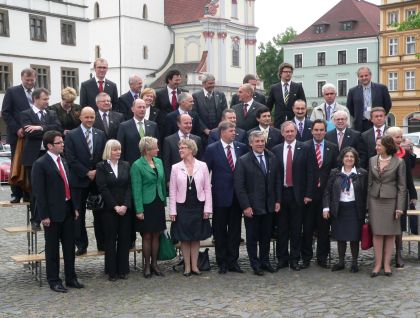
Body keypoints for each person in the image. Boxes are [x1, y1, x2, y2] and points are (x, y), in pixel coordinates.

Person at [32, 130, 84, 292]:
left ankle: (71, 277)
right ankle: (54, 280)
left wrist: (75, 207)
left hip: (68, 210)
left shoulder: (64, 161)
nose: (62, 145)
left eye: (62, 142)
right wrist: (44, 215)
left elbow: (70, 186)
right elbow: (39, 193)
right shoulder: (40, 164)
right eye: (59, 143)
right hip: (52, 214)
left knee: (69, 248)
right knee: (52, 249)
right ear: (49, 146)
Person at [234, 131, 281, 275]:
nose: (260, 144)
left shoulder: (272, 157)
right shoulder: (243, 160)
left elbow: (277, 181)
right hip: (252, 206)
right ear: (251, 143)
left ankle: (265, 261)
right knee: (252, 237)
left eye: (262, 141)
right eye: (257, 141)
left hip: (269, 205)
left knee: (266, 236)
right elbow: (239, 186)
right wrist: (245, 206)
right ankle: (255, 264)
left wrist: (278, 200)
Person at [205, 121, 249, 274]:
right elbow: (206, 172)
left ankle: (233, 260)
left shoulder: (241, 147)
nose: (234, 133)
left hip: (237, 196)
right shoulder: (212, 149)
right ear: (222, 132)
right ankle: (221, 261)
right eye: (231, 130)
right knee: (220, 230)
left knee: (235, 230)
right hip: (220, 196)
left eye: (234, 130)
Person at [271, 121, 314, 271]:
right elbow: (274, 175)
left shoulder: (306, 148)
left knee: (296, 229)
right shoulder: (275, 150)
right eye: (286, 132)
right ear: (282, 133)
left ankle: (295, 259)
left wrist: (309, 194)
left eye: (292, 131)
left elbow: (311, 172)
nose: (289, 134)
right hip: (281, 193)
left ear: (296, 132)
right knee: (282, 229)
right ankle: (282, 259)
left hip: (299, 195)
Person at [64, 107, 107, 255]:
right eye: (86, 117)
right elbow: (70, 158)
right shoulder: (71, 135)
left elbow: (104, 156)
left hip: (97, 179)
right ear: (80, 118)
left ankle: (102, 243)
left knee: (100, 213)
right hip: (79, 180)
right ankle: (81, 244)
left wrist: (97, 171)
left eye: (92, 117)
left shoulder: (100, 134)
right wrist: (86, 172)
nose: (89, 120)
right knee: (78, 214)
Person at [20, 88, 62, 230]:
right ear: (36, 99)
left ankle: (52, 215)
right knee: (36, 189)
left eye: (48, 99)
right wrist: (46, 132)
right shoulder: (25, 114)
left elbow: (58, 129)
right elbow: (29, 134)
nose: (47, 102)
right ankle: (35, 219)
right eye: (44, 99)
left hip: (50, 156)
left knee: (53, 187)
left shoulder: (51, 113)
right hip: (33, 157)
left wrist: (39, 127)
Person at [169, 139, 212, 276]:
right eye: (179, 148)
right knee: (185, 238)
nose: (180, 150)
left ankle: (195, 266)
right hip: (182, 207)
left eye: (183, 148)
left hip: (198, 206)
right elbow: (172, 191)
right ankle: (187, 267)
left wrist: (207, 209)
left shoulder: (203, 166)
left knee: (196, 237)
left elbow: (207, 189)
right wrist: (172, 211)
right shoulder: (175, 167)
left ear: (191, 150)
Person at [322, 147, 367, 273]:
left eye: (352, 157)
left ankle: (354, 262)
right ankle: (341, 262)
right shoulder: (335, 172)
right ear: (342, 158)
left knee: (354, 237)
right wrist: (326, 207)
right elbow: (327, 191)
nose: (349, 159)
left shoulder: (362, 173)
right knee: (340, 236)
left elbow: (366, 193)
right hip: (339, 208)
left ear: (355, 159)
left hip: (355, 208)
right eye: (346, 156)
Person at [302, 119, 339, 269]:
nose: (318, 132)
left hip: (325, 194)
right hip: (308, 195)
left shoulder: (332, 147)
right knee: (308, 228)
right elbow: (301, 172)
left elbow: (336, 170)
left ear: (325, 131)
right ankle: (306, 257)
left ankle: (322, 258)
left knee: (324, 229)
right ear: (311, 131)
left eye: (321, 130)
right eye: (316, 130)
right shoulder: (304, 147)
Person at [368, 136, 406, 277]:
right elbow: (369, 183)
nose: (376, 147)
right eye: (376, 145)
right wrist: (367, 204)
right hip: (375, 200)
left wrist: (399, 207)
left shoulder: (399, 162)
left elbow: (402, 187)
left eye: (379, 145)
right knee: (377, 233)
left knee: (390, 234)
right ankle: (377, 264)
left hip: (391, 201)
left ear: (386, 146)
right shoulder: (372, 160)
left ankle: (387, 264)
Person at [130, 137, 167, 278]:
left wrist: (164, 201)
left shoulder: (159, 162)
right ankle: (146, 266)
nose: (158, 149)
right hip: (146, 203)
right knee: (146, 235)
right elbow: (136, 189)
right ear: (147, 150)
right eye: (155, 147)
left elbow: (162, 183)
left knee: (157, 234)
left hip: (158, 202)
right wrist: (139, 209)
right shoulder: (137, 165)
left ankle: (155, 264)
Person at [96, 139, 132, 281]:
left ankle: (123, 269)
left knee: (124, 239)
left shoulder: (125, 165)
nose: (118, 152)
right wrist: (115, 206)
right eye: (115, 150)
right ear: (108, 151)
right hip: (109, 209)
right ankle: (111, 270)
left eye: (119, 149)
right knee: (110, 240)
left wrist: (125, 205)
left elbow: (129, 186)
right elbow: (102, 188)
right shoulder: (101, 166)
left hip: (124, 208)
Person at [2, 68, 36, 203]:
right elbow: (6, 112)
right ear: (22, 78)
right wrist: (17, 129)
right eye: (27, 80)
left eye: (32, 80)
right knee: (16, 164)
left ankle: (28, 192)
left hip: (33, 136)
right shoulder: (12, 91)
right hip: (18, 135)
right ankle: (16, 193)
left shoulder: (37, 93)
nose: (29, 82)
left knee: (30, 164)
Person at [384, 127, 417, 268]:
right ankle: (384, 254)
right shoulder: (383, 153)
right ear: (389, 139)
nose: (400, 140)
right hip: (386, 194)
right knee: (385, 224)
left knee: (400, 224)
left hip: (401, 194)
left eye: (401, 137)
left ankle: (399, 254)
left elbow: (409, 177)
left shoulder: (406, 155)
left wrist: (413, 194)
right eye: (397, 137)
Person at [347, 66, 392, 132]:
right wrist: (359, 116)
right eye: (361, 76)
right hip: (360, 124)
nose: (364, 78)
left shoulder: (381, 88)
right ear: (358, 78)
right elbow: (350, 107)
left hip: (377, 122)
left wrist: (379, 116)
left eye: (366, 75)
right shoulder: (352, 91)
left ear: (370, 75)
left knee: (377, 142)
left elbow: (388, 105)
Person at [117, 98, 159, 165]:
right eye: (139, 107)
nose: (142, 109)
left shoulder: (153, 125)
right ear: (132, 109)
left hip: (150, 165)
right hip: (131, 165)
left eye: (144, 107)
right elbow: (120, 147)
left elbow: (157, 146)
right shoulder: (124, 126)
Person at [162, 113, 203, 179]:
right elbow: (166, 163)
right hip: (176, 178)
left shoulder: (197, 139)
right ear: (178, 124)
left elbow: (200, 159)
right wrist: (168, 180)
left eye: (190, 123)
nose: (189, 125)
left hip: (194, 178)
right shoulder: (169, 140)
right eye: (186, 123)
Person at [267, 62, 306, 128]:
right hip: (279, 122)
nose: (288, 74)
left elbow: (303, 104)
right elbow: (268, 106)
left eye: (290, 72)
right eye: (286, 72)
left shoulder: (297, 87)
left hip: (294, 121)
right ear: (280, 73)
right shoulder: (274, 88)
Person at [192, 73, 227, 140]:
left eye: (213, 83)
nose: (212, 85)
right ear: (203, 84)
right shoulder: (196, 96)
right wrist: (205, 129)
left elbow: (224, 112)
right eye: (210, 83)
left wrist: (219, 128)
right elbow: (195, 114)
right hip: (202, 134)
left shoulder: (220, 95)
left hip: (219, 132)